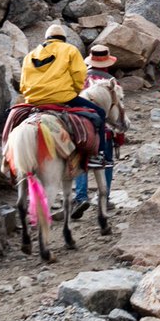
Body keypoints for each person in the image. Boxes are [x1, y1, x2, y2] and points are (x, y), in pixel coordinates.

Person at [20, 23, 108, 167]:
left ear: (47, 39)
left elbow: (23, 84)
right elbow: (79, 75)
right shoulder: (70, 50)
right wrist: (74, 91)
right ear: (63, 39)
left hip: (33, 100)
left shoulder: (30, 55)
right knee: (100, 113)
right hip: (62, 97)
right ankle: (98, 156)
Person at [70, 46, 126, 217]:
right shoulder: (112, 83)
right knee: (107, 162)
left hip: (81, 128)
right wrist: (120, 134)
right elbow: (118, 111)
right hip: (105, 131)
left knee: (81, 161)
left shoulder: (80, 79)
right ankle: (105, 196)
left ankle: (80, 197)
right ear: (107, 64)